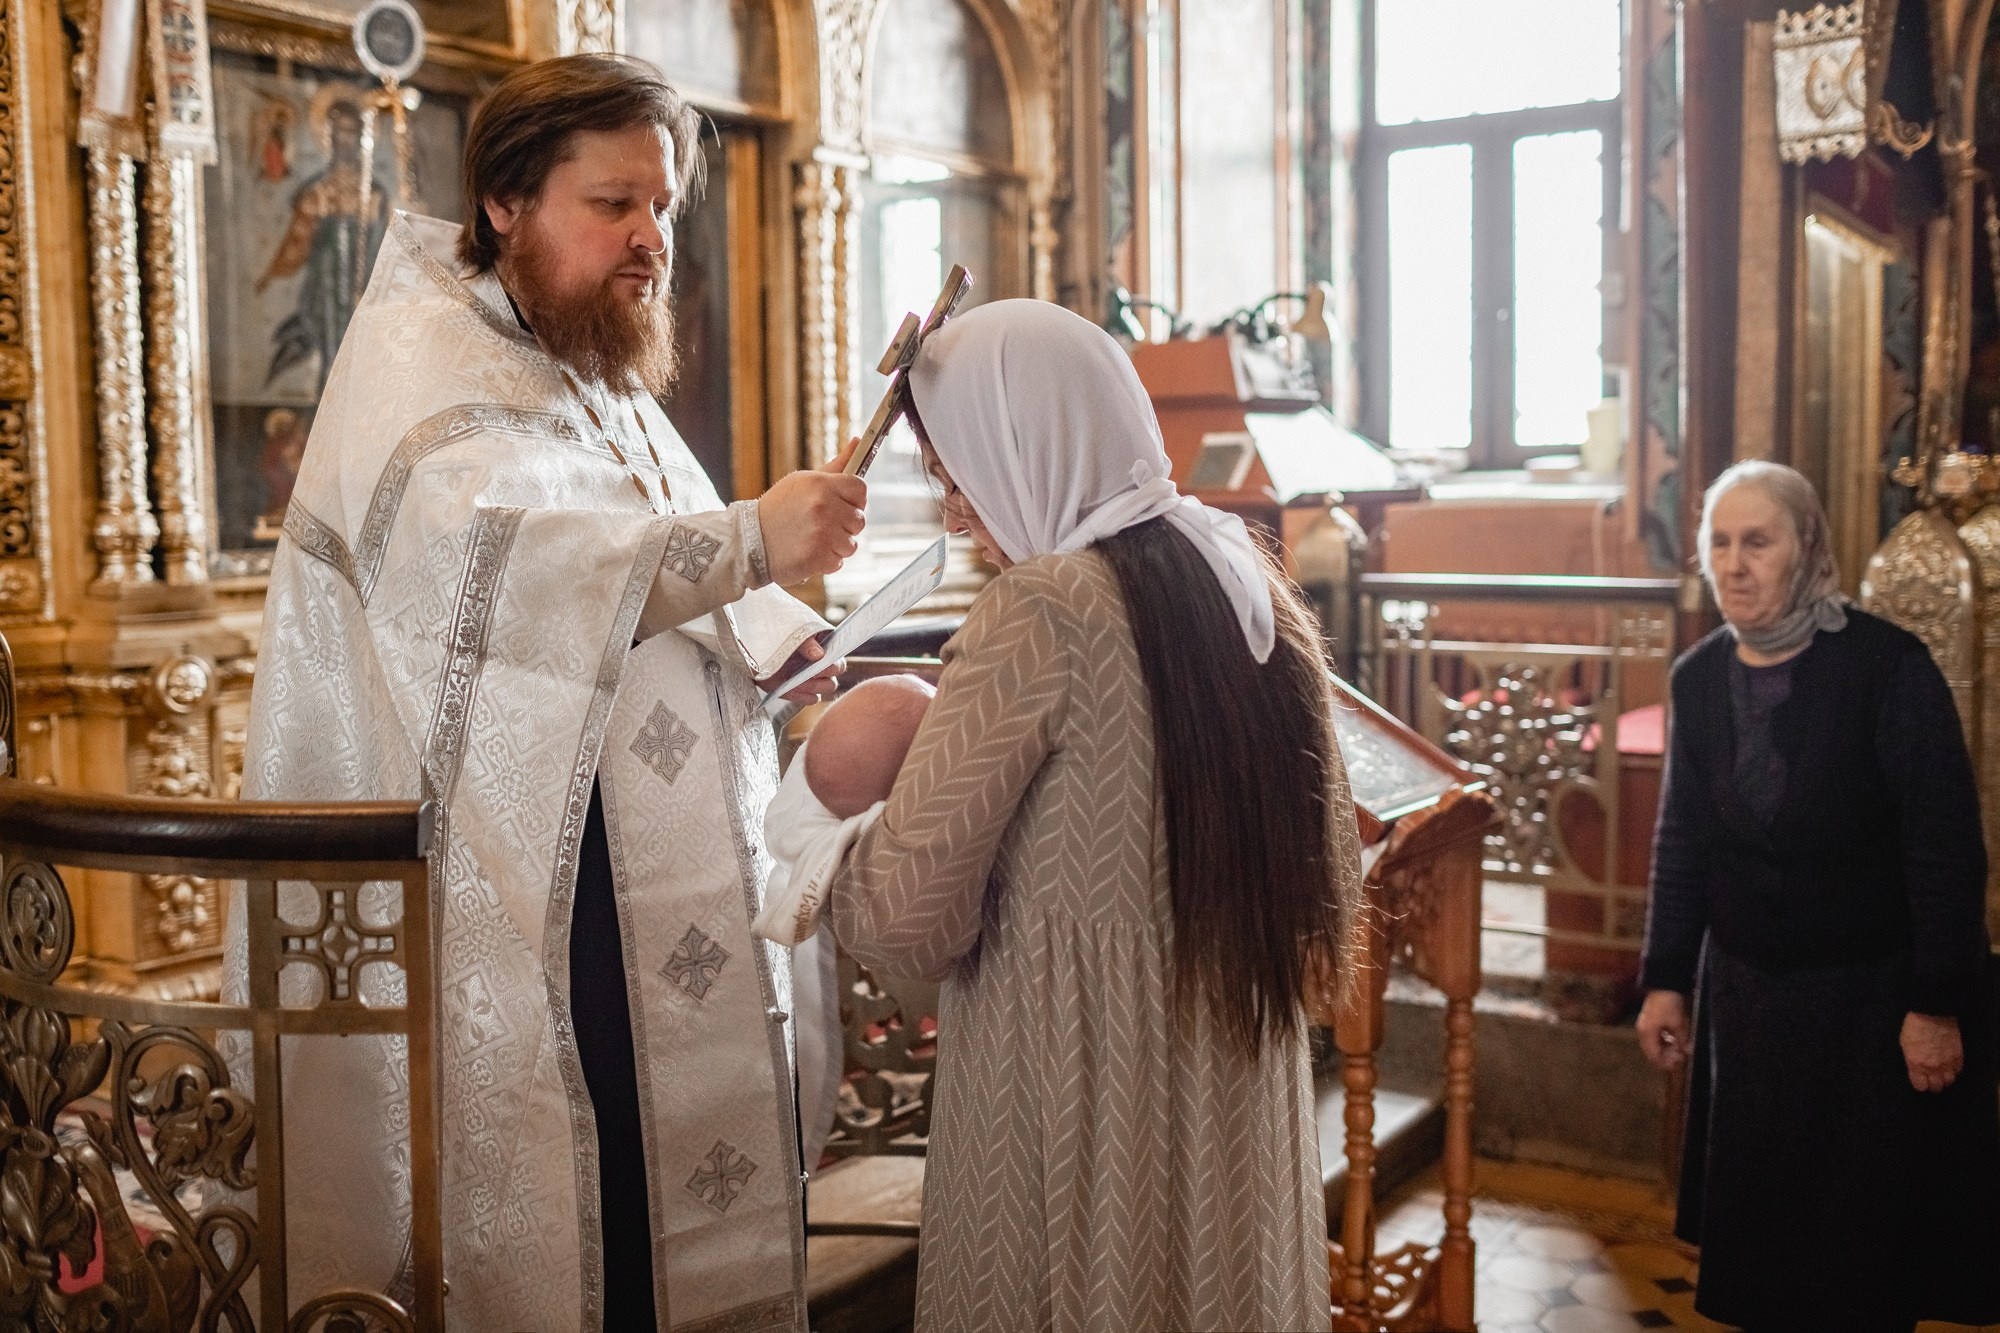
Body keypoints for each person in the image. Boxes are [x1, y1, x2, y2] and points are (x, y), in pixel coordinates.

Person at [229, 55, 867, 1332]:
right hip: (511, 891)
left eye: (665, 210)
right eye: (615, 203)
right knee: (584, 1216)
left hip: (642, 869)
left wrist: (777, 633)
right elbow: (494, 569)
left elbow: (651, 527)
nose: (649, 242)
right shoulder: (424, 359)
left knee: (655, 1199)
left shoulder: (586, 362)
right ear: (507, 204)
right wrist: (751, 541)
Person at [824, 299, 1363, 1331]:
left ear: (1025, 439)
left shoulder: (1042, 607)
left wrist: (826, 829)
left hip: (1074, 1093)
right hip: (1230, 1080)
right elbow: (1328, 863)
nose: (952, 512)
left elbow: (905, 918)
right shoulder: (1243, 582)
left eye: (957, 471)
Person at [1637, 460, 2000, 1332]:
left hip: (1869, 1010)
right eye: (1718, 543)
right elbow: (1684, 839)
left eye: (1757, 541)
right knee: (1762, 1251)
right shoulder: (1697, 676)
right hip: (1752, 1005)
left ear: (1807, 549)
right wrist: (1666, 978)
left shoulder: (1887, 668)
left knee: (1859, 1261)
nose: (1734, 563)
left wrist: (1936, 1003)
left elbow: (1946, 849)